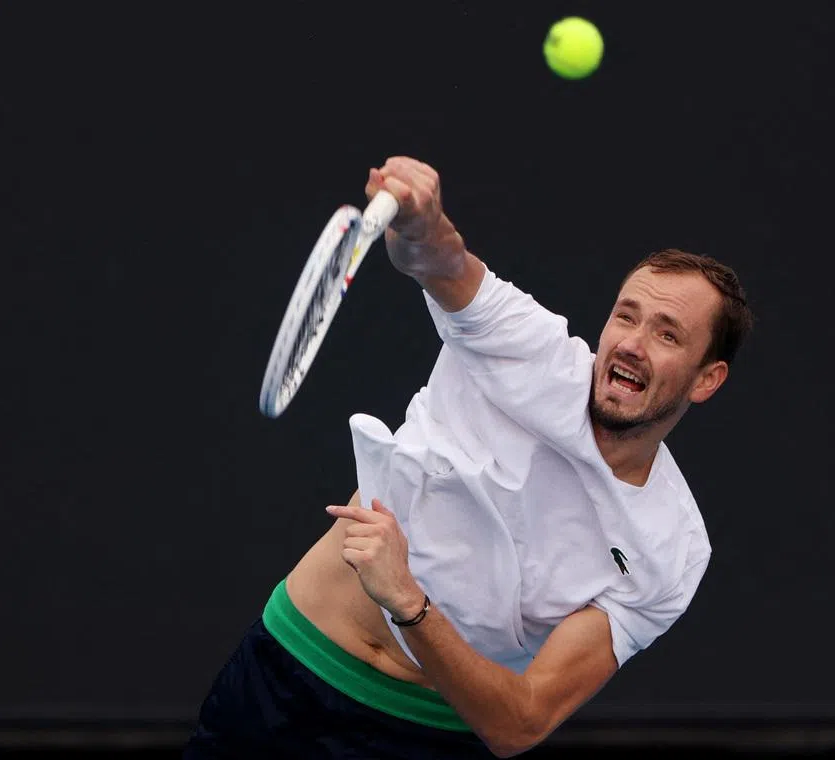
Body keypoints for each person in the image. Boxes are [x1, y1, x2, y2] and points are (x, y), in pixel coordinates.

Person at [184, 156, 754, 758]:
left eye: (667, 334)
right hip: (287, 675)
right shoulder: (529, 349)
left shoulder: (671, 549)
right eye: (626, 316)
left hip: (428, 737)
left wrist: (409, 603)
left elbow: (522, 722)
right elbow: (440, 259)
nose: (633, 344)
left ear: (706, 379)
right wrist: (421, 220)